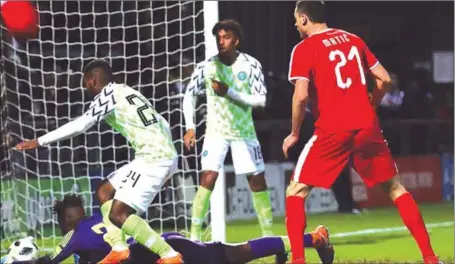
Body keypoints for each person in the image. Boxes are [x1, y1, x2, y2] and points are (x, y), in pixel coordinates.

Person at [281, 1, 439, 264]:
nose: (296, 25)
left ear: (305, 19)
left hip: (333, 128)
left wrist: (295, 133)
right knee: (396, 188)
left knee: (296, 192)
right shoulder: (353, 40)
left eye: (297, 20)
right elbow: (385, 79)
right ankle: (431, 258)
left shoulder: (304, 48)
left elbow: (300, 97)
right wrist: (372, 103)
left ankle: (298, 260)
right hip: (367, 125)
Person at [14, 60, 183, 264]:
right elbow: (161, 121)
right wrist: (170, 160)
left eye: (85, 83)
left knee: (119, 213)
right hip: (158, 154)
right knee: (104, 191)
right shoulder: (127, 91)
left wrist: (40, 141)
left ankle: (169, 254)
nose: (85, 87)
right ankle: (119, 247)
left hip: (153, 158)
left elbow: (82, 124)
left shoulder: (108, 95)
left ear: (93, 80)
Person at [34, 194, 334, 264]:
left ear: (66, 221)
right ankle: (310, 238)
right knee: (237, 251)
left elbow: (48, 263)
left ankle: (314, 238)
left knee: (238, 253)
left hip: (169, 255)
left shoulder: (73, 236)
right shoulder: (107, 217)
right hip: (165, 244)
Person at [183, 19, 274, 240]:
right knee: (207, 179)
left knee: (257, 181)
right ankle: (194, 237)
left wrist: (230, 92)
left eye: (226, 37)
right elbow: (189, 95)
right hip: (216, 132)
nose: (221, 41)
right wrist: (190, 127)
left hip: (244, 132)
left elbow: (262, 100)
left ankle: (269, 236)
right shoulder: (207, 67)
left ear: (236, 40)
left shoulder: (251, 64)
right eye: (218, 37)